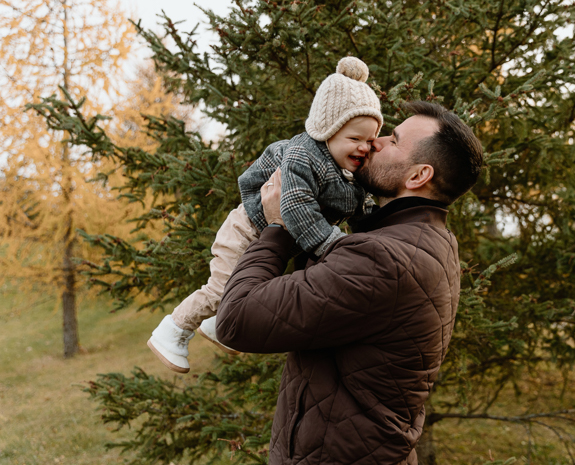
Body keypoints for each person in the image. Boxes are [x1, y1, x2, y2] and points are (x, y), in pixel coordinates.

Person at [216, 101, 484, 464]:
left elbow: (236, 321)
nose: (375, 142)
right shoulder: (429, 240)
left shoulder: (384, 259)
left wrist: (278, 225)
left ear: (418, 176)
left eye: (393, 139)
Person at [147, 57, 383, 373]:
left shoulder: (348, 173)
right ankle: (173, 329)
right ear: (326, 130)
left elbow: (360, 206)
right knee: (222, 289)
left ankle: (217, 326)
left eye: (370, 140)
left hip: (271, 240)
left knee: (254, 290)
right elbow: (296, 208)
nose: (364, 148)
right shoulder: (304, 157)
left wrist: (371, 227)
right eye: (355, 139)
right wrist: (332, 245)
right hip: (245, 229)